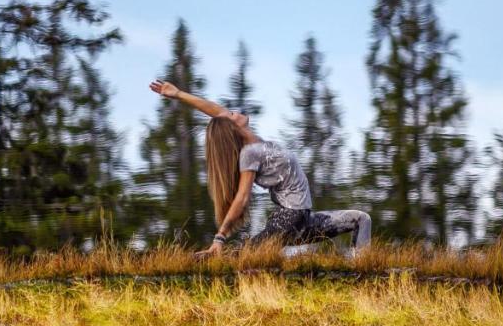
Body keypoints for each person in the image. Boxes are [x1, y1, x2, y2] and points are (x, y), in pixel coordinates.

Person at [147, 79, 372, 256]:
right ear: (233, 128)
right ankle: (209, 257)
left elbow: (216, 112)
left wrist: (178, 94)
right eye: (231, 114)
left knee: (361, 219)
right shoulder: (249, 154)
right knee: (246, 257)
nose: (232, 111)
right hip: (288, 219)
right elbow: (242, 198)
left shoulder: (257, 144)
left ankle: (361, 269)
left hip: (303, 219)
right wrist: (220, 237)